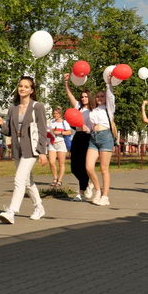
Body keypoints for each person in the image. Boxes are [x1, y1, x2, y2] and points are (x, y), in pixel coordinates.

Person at [0, 76, 49, 224]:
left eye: (26, 86)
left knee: (19, 179)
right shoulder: (13, 108)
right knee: (26, 181)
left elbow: (43, 130)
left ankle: (12, 211)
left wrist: (43, 152)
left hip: (32, 148)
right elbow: (9, 131)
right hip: (17, 148)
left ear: (31, 90)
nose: (22, 89)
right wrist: (1, 124)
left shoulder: (37, 106)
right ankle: (39, 207)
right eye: (20, 86)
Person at [63, 73, 94, 201]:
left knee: (83, 165)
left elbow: (98, 125)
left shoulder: (94, 110)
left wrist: (89, 129)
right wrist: (66, 83)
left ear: (89, 97)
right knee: (75, 167)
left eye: (86, 96)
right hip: (77, 137)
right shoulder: (79, 108)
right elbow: (70, 95)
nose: (83, 98)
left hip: (88, 138)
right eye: (82, 96)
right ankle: (89, 182)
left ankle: (81, 192)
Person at [86, 81, 116, 206]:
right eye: (97, 96)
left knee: (104, 169)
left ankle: (105, 196)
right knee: (89, 167)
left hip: (105, 137)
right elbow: (90, 125)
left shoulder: (109, 108)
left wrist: (109, 84)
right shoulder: (93, 110)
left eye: (102, 96)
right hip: (93, 137)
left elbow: (111, 96)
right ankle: (98, 189)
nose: (99, 98)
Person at [46, 107, 70, 188]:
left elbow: (69, 132)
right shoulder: (51, 122)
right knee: (51, 162)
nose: (55, 115)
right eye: (54, 113)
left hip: (61, 143)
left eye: (56, 113)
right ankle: (55, 179)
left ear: (60, 114)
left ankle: (59, 180)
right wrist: (49, 133)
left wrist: (60, 132)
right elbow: (48, 131)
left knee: (61, 163)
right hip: (52, 143)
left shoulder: (64, 122)